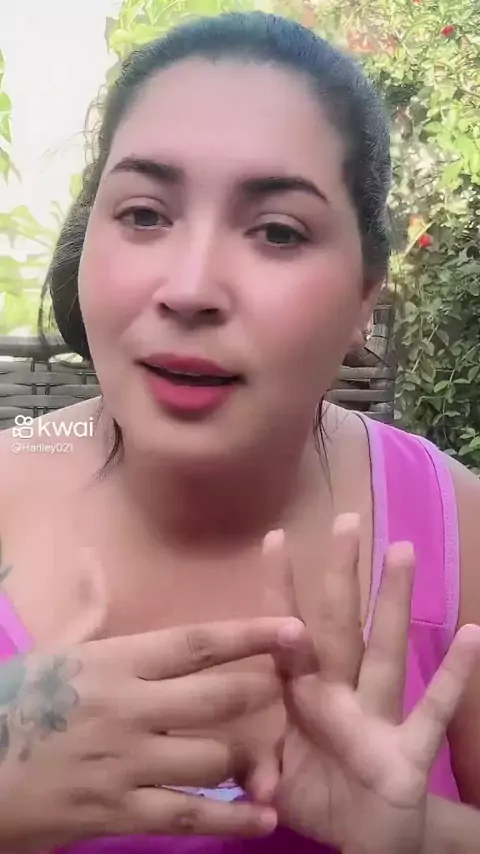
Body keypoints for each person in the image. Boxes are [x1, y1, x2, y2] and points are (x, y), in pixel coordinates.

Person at [0, 10, 479, 853]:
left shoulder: (458, 539)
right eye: (145, 215)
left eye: (277, 231)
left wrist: (419, 837)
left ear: (365, 295)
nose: (190, 287)